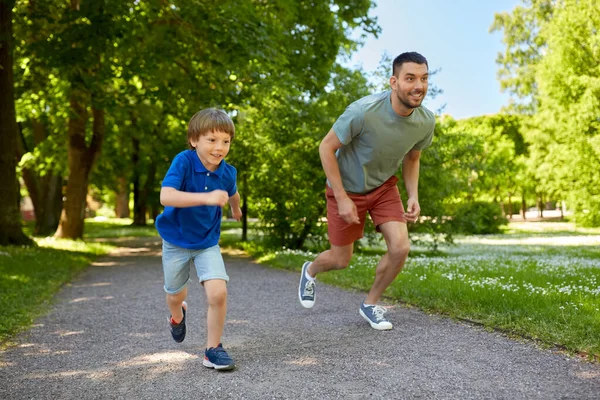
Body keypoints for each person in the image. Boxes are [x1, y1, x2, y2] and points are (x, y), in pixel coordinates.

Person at [298, 52, 435, 330]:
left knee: (400, 248)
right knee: (340, 259)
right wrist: (342, 197)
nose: (418, 85)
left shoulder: (425, 121)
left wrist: (413, 195)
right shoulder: (363, 111)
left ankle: (370, 304)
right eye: (410, 78)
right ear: (393, 82)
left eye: (423, 78)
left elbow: (413, 157)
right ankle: (310, 271)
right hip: (346, 187)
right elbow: (326, 147)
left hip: (383, 187)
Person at [155, 108, 242, 370]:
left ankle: (212, 349)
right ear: (195, 140)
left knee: (218, 293)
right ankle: (176, 316)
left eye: (225, 141)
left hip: (207, 243)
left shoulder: (227, 172)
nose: (220, 147)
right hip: (176, 241)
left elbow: (233, 192)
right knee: (175, 294)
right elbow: (166, 196)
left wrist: (235, 209)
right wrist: (206, 198)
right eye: (212, 140)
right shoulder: (183, 161)